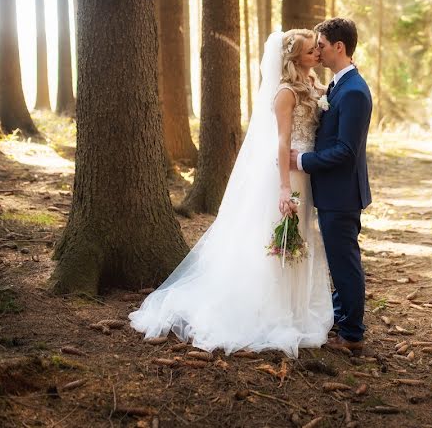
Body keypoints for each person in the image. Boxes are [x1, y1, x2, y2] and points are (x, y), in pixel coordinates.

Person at [129, 30, 333, 358]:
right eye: (312, 52)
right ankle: (275, 310)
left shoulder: (312, 86)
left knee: (299, 240)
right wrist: (284, 187)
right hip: (290, 176)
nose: (317, 56)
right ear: (296, 58)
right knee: (283, 239)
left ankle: (296, 306)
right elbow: (282, 142)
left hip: (306, 174)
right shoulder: (285, 93)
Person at [291, 18, 373, 355]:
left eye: (321, 45)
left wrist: (302, 161)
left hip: (341, 193)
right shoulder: (340, 85)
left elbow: (345, 151)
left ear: (339, 47)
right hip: (333, 191)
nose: (317, 51)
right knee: (339, 261)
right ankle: (343, 319)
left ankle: (352, 335)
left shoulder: (353, 91)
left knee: (344, 263)